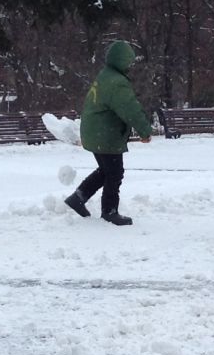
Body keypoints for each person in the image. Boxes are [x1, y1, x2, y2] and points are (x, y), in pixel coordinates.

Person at [65, 39, 153, 226]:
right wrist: (145, 130)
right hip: (105, 134)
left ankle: (78, 197)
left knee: (106, 170)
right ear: (123, 61)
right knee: (115, 173)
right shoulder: (117, 83)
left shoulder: (105, 76)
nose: (131, 65)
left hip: (95, 132)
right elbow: (130, 109)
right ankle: (109, 212)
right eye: (129, 61)